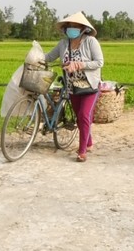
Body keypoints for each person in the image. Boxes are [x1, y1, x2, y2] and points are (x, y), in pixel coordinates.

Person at [44, 11, 104, 162]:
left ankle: (82, 150)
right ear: (65, 29)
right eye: (69, 26)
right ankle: (88, 142)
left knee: (84, 115)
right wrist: (35, 57)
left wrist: (79, 65)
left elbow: (99, 62)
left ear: (83, 28)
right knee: (79, 117)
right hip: (72, 87)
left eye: (75, 26)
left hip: (90, 86)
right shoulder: (64, 43)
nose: (72, 29)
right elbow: (50, 57)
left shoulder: (91, 42)